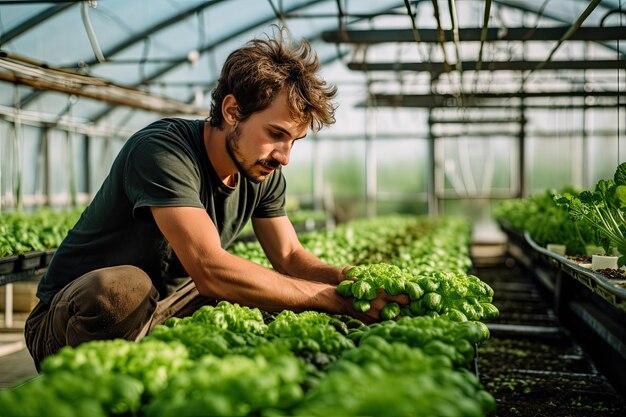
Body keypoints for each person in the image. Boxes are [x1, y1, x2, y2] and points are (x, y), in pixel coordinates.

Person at [24, 28, 408, 369]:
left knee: (269, 296)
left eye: (294, 141)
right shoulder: (162, 150)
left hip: (164, 308)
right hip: (70, 321)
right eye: (275, 133)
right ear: (232, 110)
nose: (284, 156)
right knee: (122, 290)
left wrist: (346, 282)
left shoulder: (261, 170)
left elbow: (290, 257)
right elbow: (209, 269)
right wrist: (330, 300)